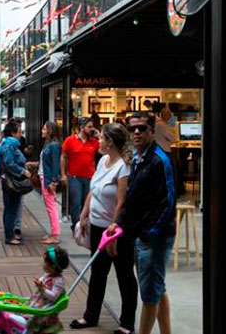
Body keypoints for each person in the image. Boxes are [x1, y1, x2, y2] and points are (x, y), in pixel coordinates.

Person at [107, 112, 176, 334]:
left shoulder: (158, 160)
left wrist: (148, 234)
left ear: (151, 132)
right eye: (133, 128)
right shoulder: (138, 159)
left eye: (142, 128)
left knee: (148, 294)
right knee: (157, 288)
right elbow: (133, 201)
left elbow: (167, 203)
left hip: (153, 238)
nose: (137, 132)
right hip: (141, 236)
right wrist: (123, 226)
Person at [71, 123, 137, 334]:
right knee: (98, 273)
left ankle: (127, 323)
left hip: (115, 231)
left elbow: (121, 202)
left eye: (101, 138)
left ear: (110, 142)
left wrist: (114, 227)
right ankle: (91, 316)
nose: (97, 140)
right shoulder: (103, 161)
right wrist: (84, 214)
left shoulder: (124, 167)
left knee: (124, 274)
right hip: (97, 226)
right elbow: (94, 189)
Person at [60, 117, 99, 231]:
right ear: (82, 128)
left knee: (87, 204)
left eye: (92, 127)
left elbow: (104, 150)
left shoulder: (94, 142)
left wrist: (100, 136)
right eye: (89, 127)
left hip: (90, 177)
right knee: (75, 204)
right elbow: (63, 156)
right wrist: (63, 174)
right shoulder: (70, 140)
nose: (92, 129)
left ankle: (85, 225)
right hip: (75, 177)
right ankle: (76, 227)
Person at [0, 122, 30, 245]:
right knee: (10, 209)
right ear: (13, 133)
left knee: (11, 209)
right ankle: (9, 237)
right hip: (10, 181)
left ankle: (10, 234)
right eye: (19, 132)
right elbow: (9, 163)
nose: (21, 134)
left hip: (9, 179)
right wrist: (22, 171)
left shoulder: (8, 144)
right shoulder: (8, 146)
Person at [26, 247, 70, 334]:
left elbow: (53, 296)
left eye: (45, 262)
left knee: (40, 326)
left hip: (47, 308)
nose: (42, 263)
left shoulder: (58, 281)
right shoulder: (48, 274)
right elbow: (43, 281)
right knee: (31, 321)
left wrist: (42, 289)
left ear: (53, 266)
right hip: (39, 302)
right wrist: (39, 282)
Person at [39, 121, 62, 245]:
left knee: (51, 207)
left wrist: (53, 181)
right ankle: (53, 232)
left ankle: (55, 235)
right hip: (45, 177)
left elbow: (55, 164)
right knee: (50, 207)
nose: (42, 131)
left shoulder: (53, 146)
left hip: (48, 179)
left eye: (44, 129)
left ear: (50, 131)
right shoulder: (48, 144)